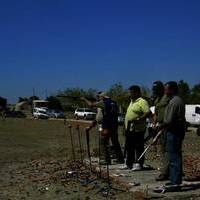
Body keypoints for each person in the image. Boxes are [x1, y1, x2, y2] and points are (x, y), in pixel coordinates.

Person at [81, 92, 124, 165]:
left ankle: (105, 160)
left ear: (102, 97)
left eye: (99, 97)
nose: (98, 99)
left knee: (103, 142)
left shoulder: (103, 102)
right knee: (115, 142)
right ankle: (120, 158)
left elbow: (91, 105)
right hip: (114, 125)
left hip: (106, 125)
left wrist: (84, 99)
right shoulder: (114, 103)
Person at [161, 81, 185, 190]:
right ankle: (174, 180)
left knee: (174, 157)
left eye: (166, 89)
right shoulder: (175, 100)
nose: (165, 92)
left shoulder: (175, 101)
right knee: (174, 156)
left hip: (174, 132)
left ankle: (175, 182)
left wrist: (161, 125)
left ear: (172, 90)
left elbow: (169, 120)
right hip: (174, 131)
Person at [123, 85, 151, 171]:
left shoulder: (142, 101)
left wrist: (139, 119)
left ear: (137, 93)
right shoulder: (132, 101)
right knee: (129, 147)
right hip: (129, 129)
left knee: (138, 147)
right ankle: (129, 163)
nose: (130, 94)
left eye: (131, 93)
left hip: (138, 129)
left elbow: (148, 112)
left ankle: (139, 163)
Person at [152, 81, 171, 181]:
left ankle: (165, 172)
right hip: (160, 126)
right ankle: (165, 171)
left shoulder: (167, 97)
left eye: (156, 89)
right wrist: (154, 123)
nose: (154, 91)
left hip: (168, 126)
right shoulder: (157, 100)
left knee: (168, 150)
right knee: (162, 150)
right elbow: (155, 112)